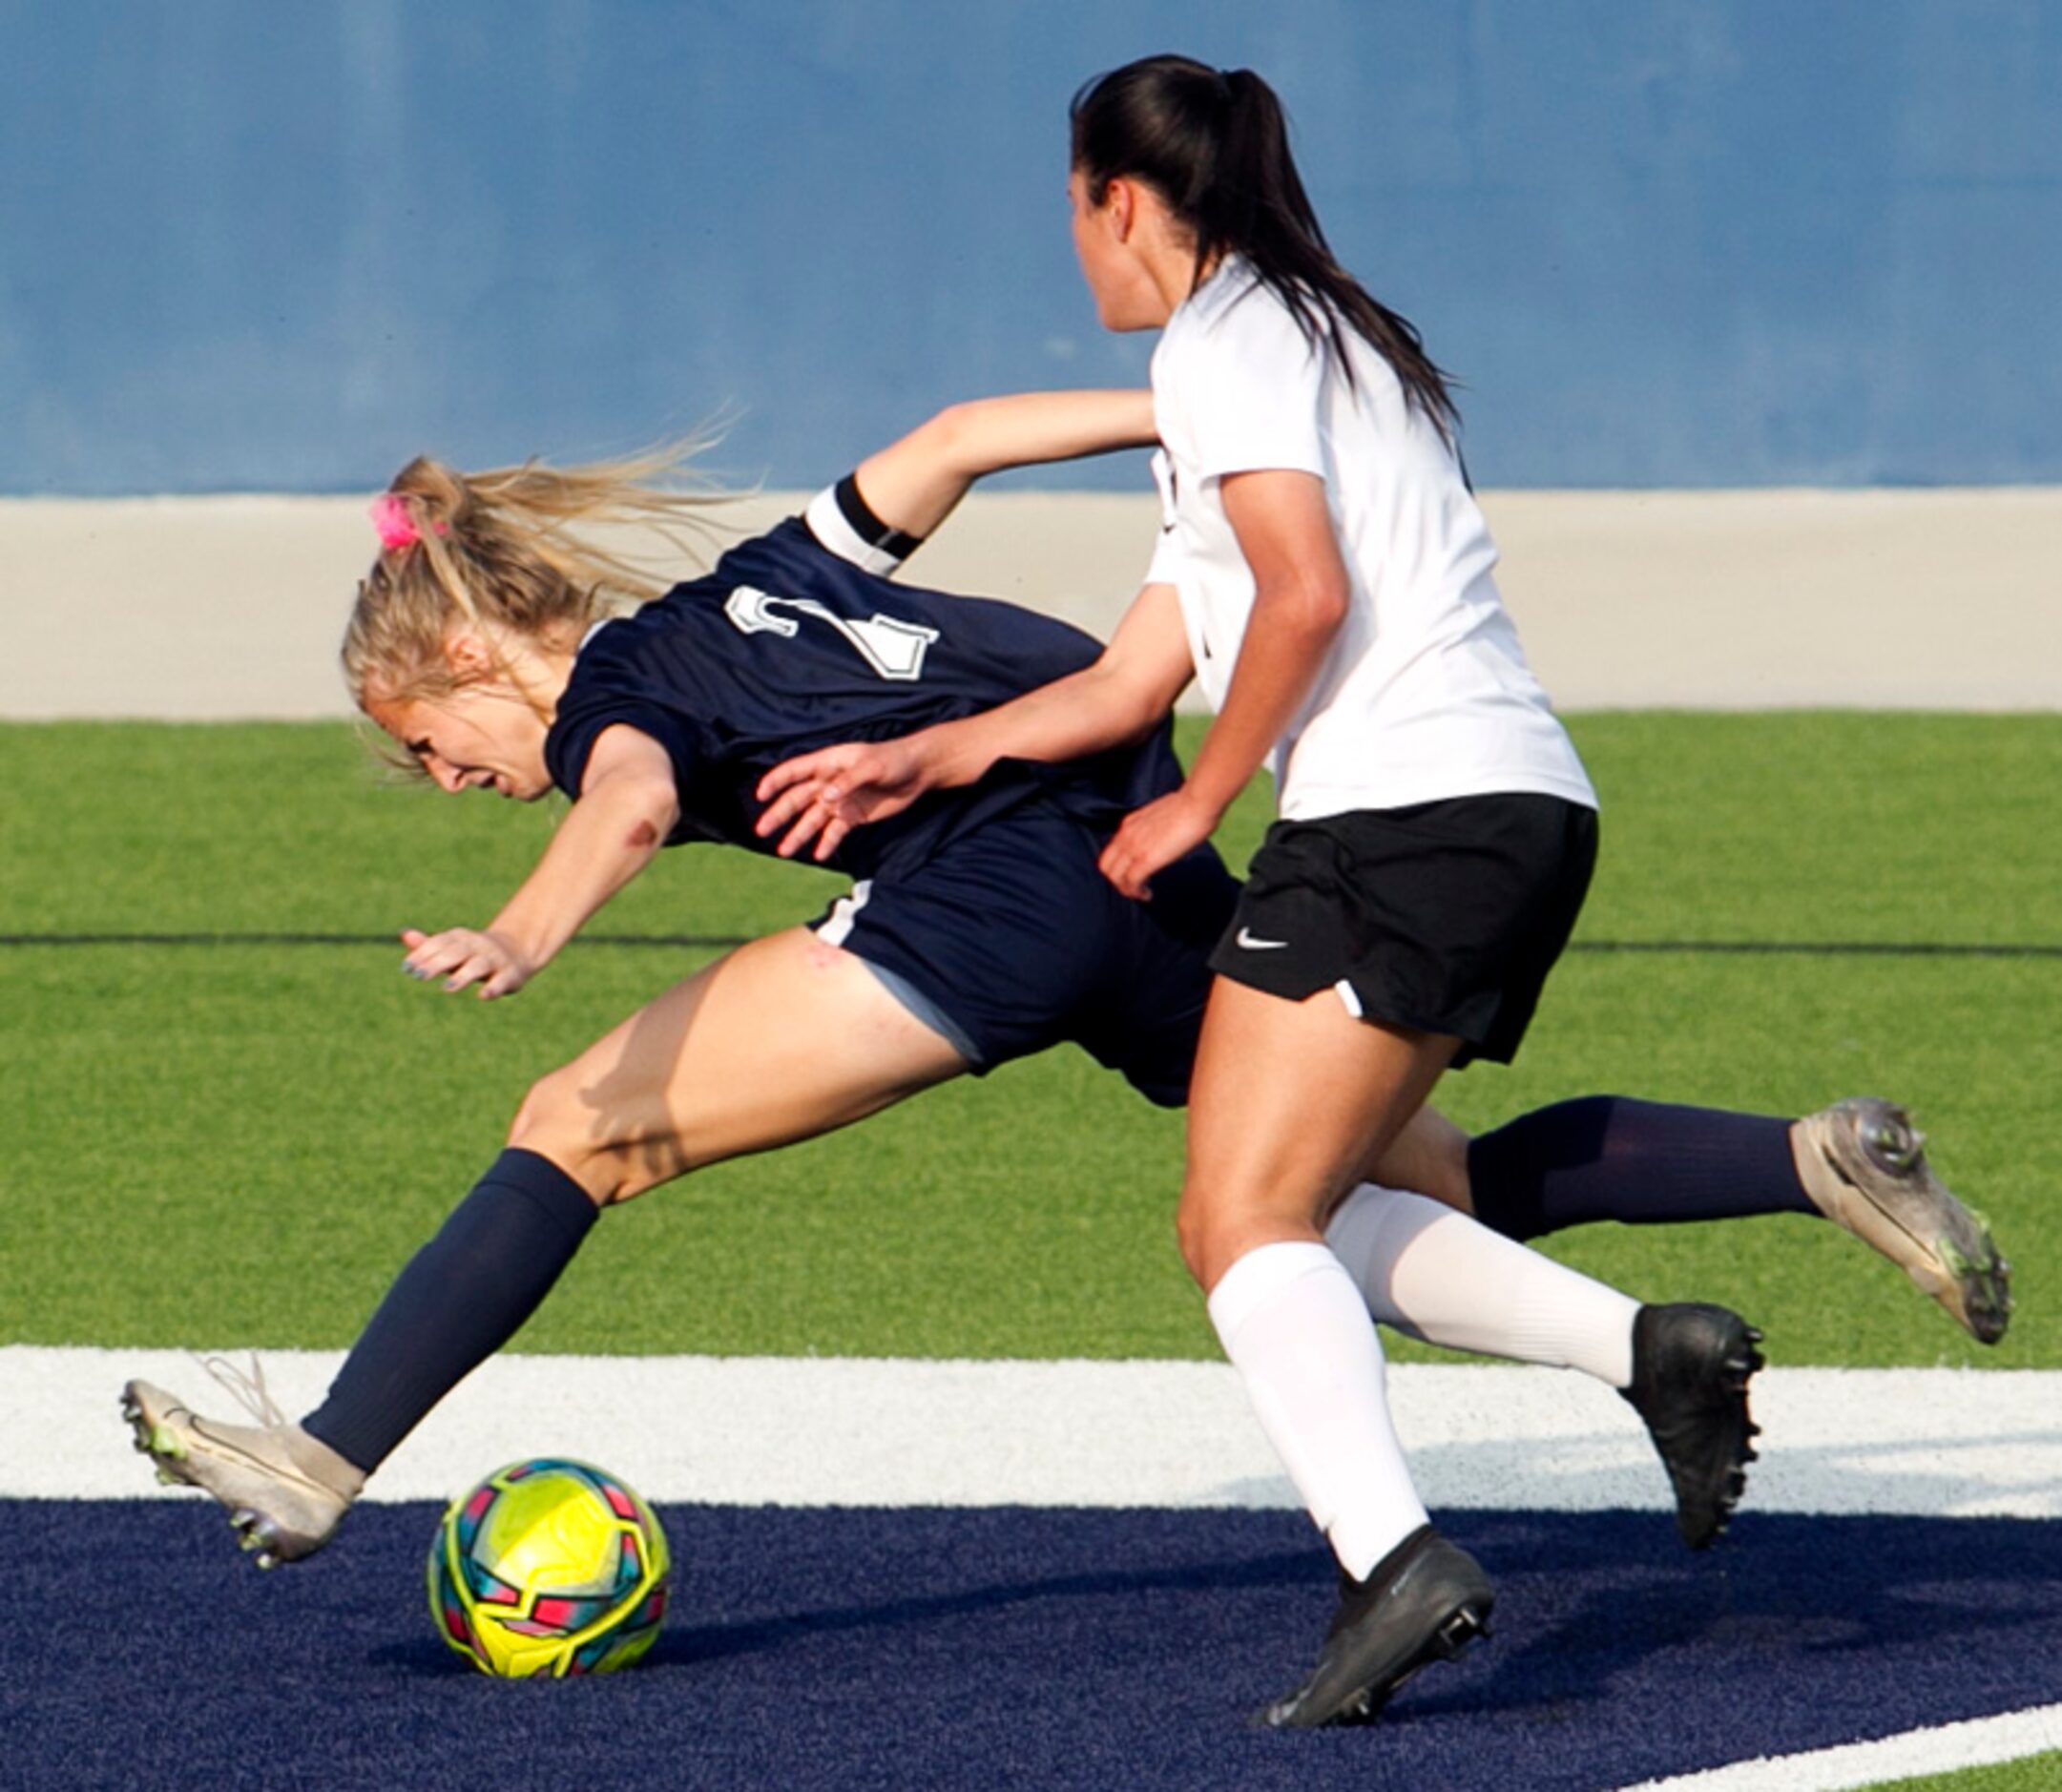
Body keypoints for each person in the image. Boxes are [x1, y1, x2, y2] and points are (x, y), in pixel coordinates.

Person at [122, 400, 1994, 1719]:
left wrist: (530, 929)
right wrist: (1165, 413)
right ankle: (1806, 1154)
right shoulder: (784, 563)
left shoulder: (623, 683)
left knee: (577, 1129)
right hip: (1147, 865)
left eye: (435, 747)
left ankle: (325, 1456)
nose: (454, 783)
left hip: (988, 892)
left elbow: (616, 793)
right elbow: (943, 441)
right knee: (1395, 1178)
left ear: (471, 644)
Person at [743, 55, 2009, 1727]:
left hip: (1396, 817)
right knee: (1333, 1197)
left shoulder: (1227, 339)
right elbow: (1139, 668)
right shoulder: (1320, 337)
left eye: (1071, 212)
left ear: (1116, 200)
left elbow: (1302, 591)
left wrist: (1200, 799)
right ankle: (1660, 1341)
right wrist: (936, 755)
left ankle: (1393, 1558)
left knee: (1234, 1216)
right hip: (1512, 803)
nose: (1075, 251)